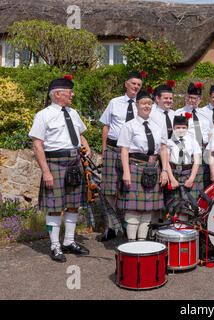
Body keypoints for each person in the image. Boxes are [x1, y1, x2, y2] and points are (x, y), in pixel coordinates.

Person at [29, 74, 91, 262]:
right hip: (54, 164)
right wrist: (46, 171)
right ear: (57, 94)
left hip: (74, 163)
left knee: (73, 205)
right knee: (55, 208)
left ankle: (69, 241)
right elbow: (37, 144)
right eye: (69, 92)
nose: (72, 95)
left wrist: (86, 145)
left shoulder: (72, 113)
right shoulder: (43, 115)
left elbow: (79, 134)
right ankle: (55, 245)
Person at [116, 90, 170, 241]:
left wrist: (165, 170)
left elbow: (164, 149)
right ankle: (132, 242)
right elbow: (124, 150)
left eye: (149, 103)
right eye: (143, 103)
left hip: (154, 167)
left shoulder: (158, 126)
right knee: (134, 209)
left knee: (148, 209)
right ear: (137, 105)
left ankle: (142, 241)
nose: (147, 106)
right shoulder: (129, 125)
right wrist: (126, 172)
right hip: (136, 166)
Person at [99, 71, 143, 240]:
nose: (136, 87)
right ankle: (111, 226)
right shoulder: (114, 103)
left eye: (139, 85)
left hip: (131, 152)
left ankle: (125, 225)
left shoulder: (142, 105)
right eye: (133, 83)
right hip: (112, 149)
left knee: (128, 189)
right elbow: (106, 127)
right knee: (109, 189)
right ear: (126, 84)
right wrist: (104, 151)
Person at [175, 82, 211, 190]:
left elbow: (209, 134)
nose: (191, 100)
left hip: (203, 150)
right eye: (189, 97)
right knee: (188, 180)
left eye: (194, 98)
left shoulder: (205, 114)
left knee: (203, 181)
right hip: (188, 150)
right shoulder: (179, 113)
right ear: (186, 98)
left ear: (200, 99)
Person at [166, 114, 202, 221]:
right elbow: (166, 162)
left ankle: (185, 230)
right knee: (173, 206)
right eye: (178, 127)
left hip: (188, 174)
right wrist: (171, 179)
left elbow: (196, 161)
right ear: (173, 128)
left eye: (183, 127)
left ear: (187, 128)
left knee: (187, 206)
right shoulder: (169, 142)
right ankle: (173, 230)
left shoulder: (192, 141)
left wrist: (191, 179)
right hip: (173, 173)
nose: (181, 130)